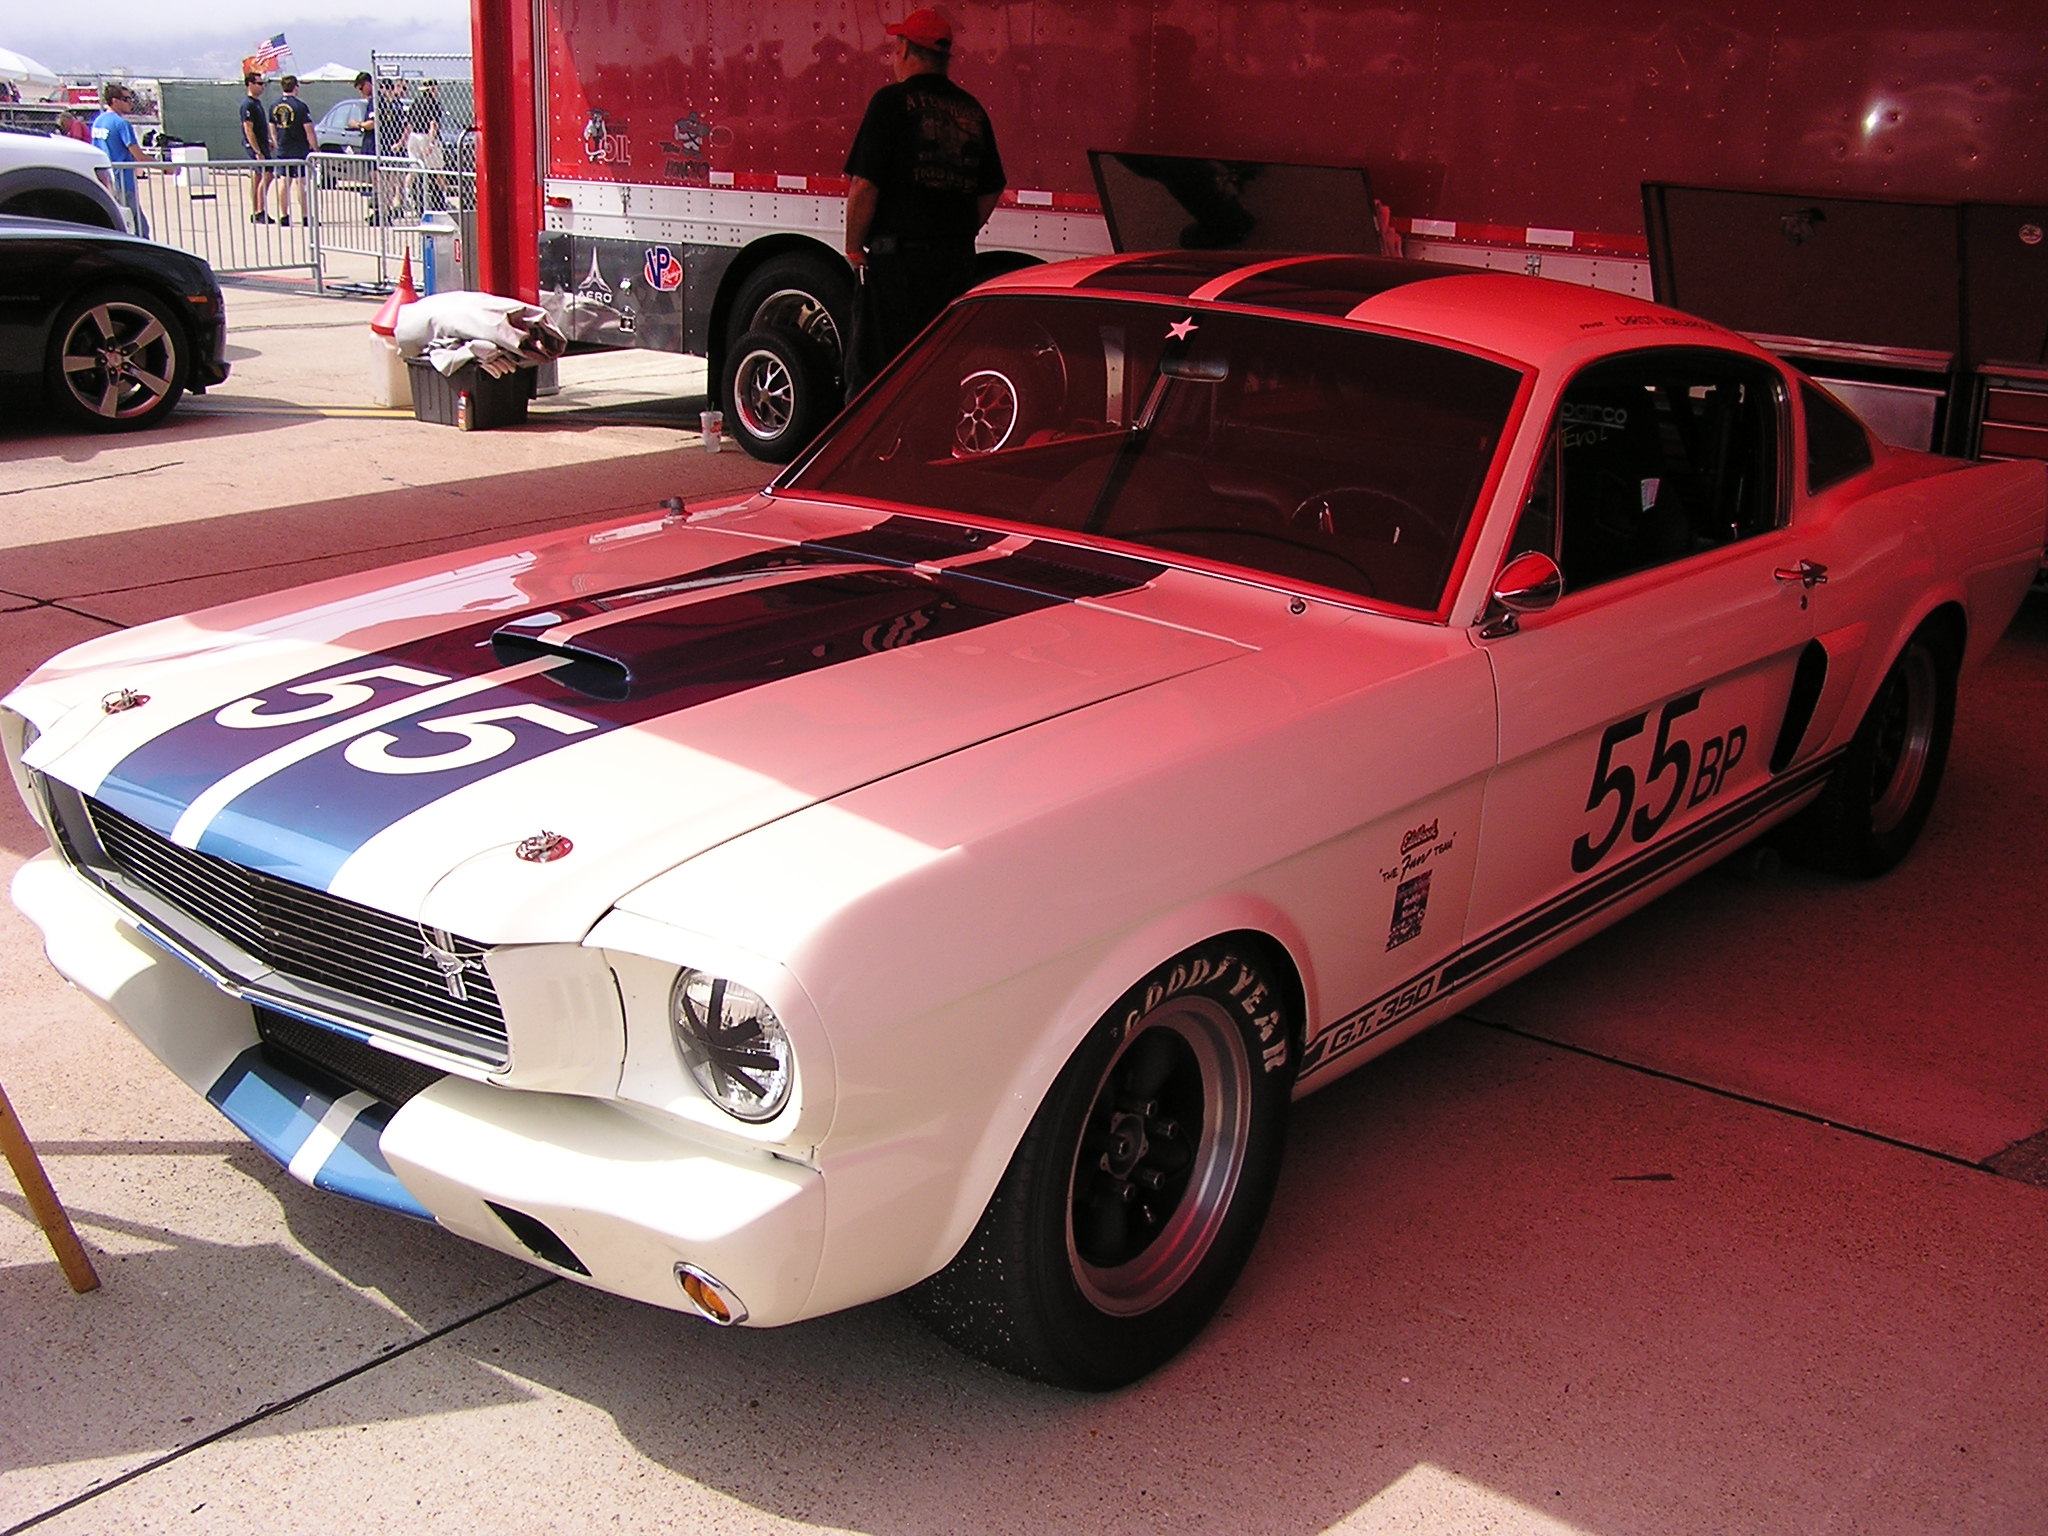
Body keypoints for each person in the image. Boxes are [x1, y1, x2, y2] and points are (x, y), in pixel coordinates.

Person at [841, 7, 1005, 399]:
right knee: (938, 375)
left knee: (879, 380)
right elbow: (992, 188)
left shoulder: (891, 102)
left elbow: (865, 186)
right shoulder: (972, 110)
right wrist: (957, 231)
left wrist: (853, 247)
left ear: (904, 49)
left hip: (898, 269)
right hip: (953, 265)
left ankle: (878, 440)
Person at [90, 83, 150, 239]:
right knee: (136, 228)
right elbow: (139, 156)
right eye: (126, 99)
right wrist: (167, 167)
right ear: (115, 101)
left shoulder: (98, 122)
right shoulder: (121, 124)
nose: (130, 102)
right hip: (123, 183)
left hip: (106, 182)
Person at [267, 75, 313, 227]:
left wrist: (277, 143)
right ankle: (305, 216)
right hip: (299, 149)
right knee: (301, 183)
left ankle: (283, 215)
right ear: (295, 87)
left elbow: (272, 128)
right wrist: (314, 148)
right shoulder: (301, 106)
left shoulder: (274, 106)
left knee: (283, 182)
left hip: (283, 148)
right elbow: (308, 130)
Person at [238, 72, 275, 224]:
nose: (262, 87)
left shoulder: (257, 103)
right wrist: (257, 151)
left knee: (258, 176)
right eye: (259, 84)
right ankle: (260, 210)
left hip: (262, 143)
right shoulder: (248, 104)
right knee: (268, 174)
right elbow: (248, 129)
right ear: (250, 84)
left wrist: (268, 140)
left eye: (263, 84)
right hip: (256, 146)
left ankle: (256, 210)